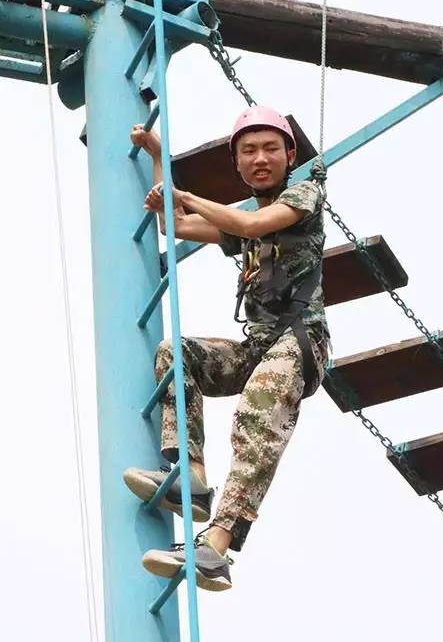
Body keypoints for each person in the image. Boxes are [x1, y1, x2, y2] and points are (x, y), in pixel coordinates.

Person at [123, 106, 330, 592]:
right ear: (237, 164)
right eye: (249, 151)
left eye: (270, 149)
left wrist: (187, 195)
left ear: (289, 155)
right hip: (257, 346)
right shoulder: (246, 221)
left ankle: (215, 545)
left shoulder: (304, 194)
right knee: (177, 353)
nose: (260, 159)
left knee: (257, 417)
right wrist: (159, 160)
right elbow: (172, 225)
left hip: (298, 343)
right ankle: (189, 476)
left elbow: (255, 226)